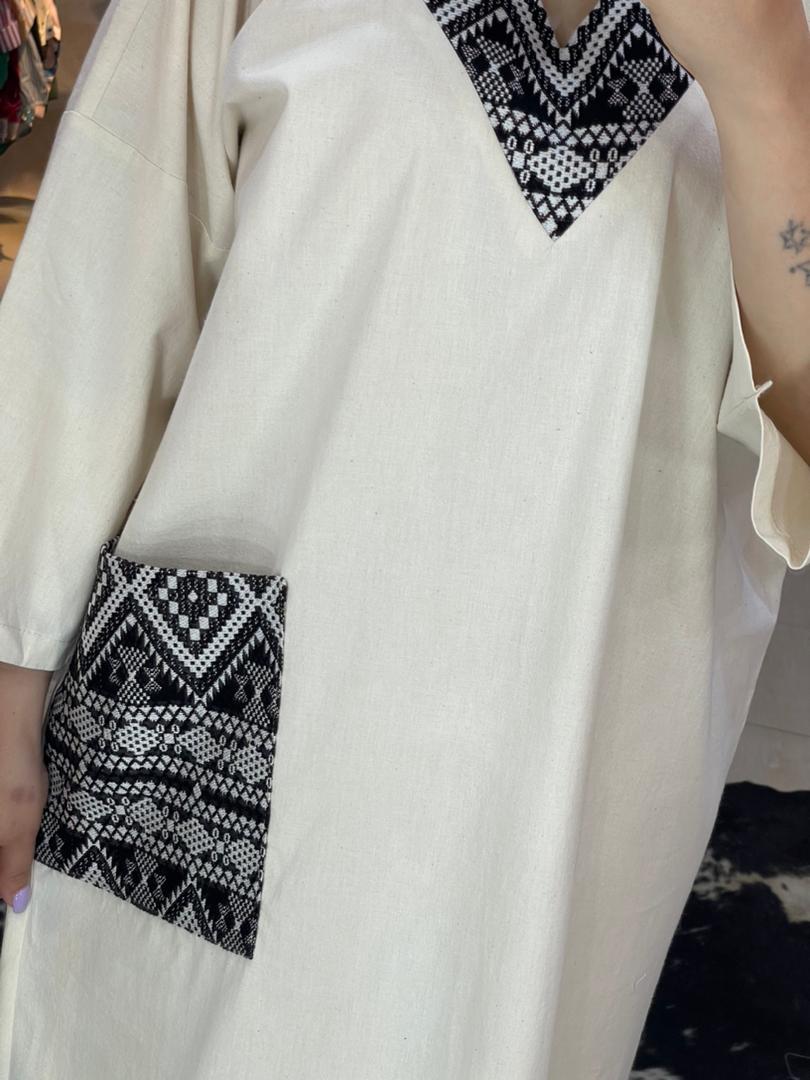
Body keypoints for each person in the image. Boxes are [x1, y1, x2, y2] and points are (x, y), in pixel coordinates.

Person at [0, 0, 808, 1076]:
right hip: (219, 705)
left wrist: (767, 84)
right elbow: (111, 256)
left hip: (567, 768)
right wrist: (12, 666)